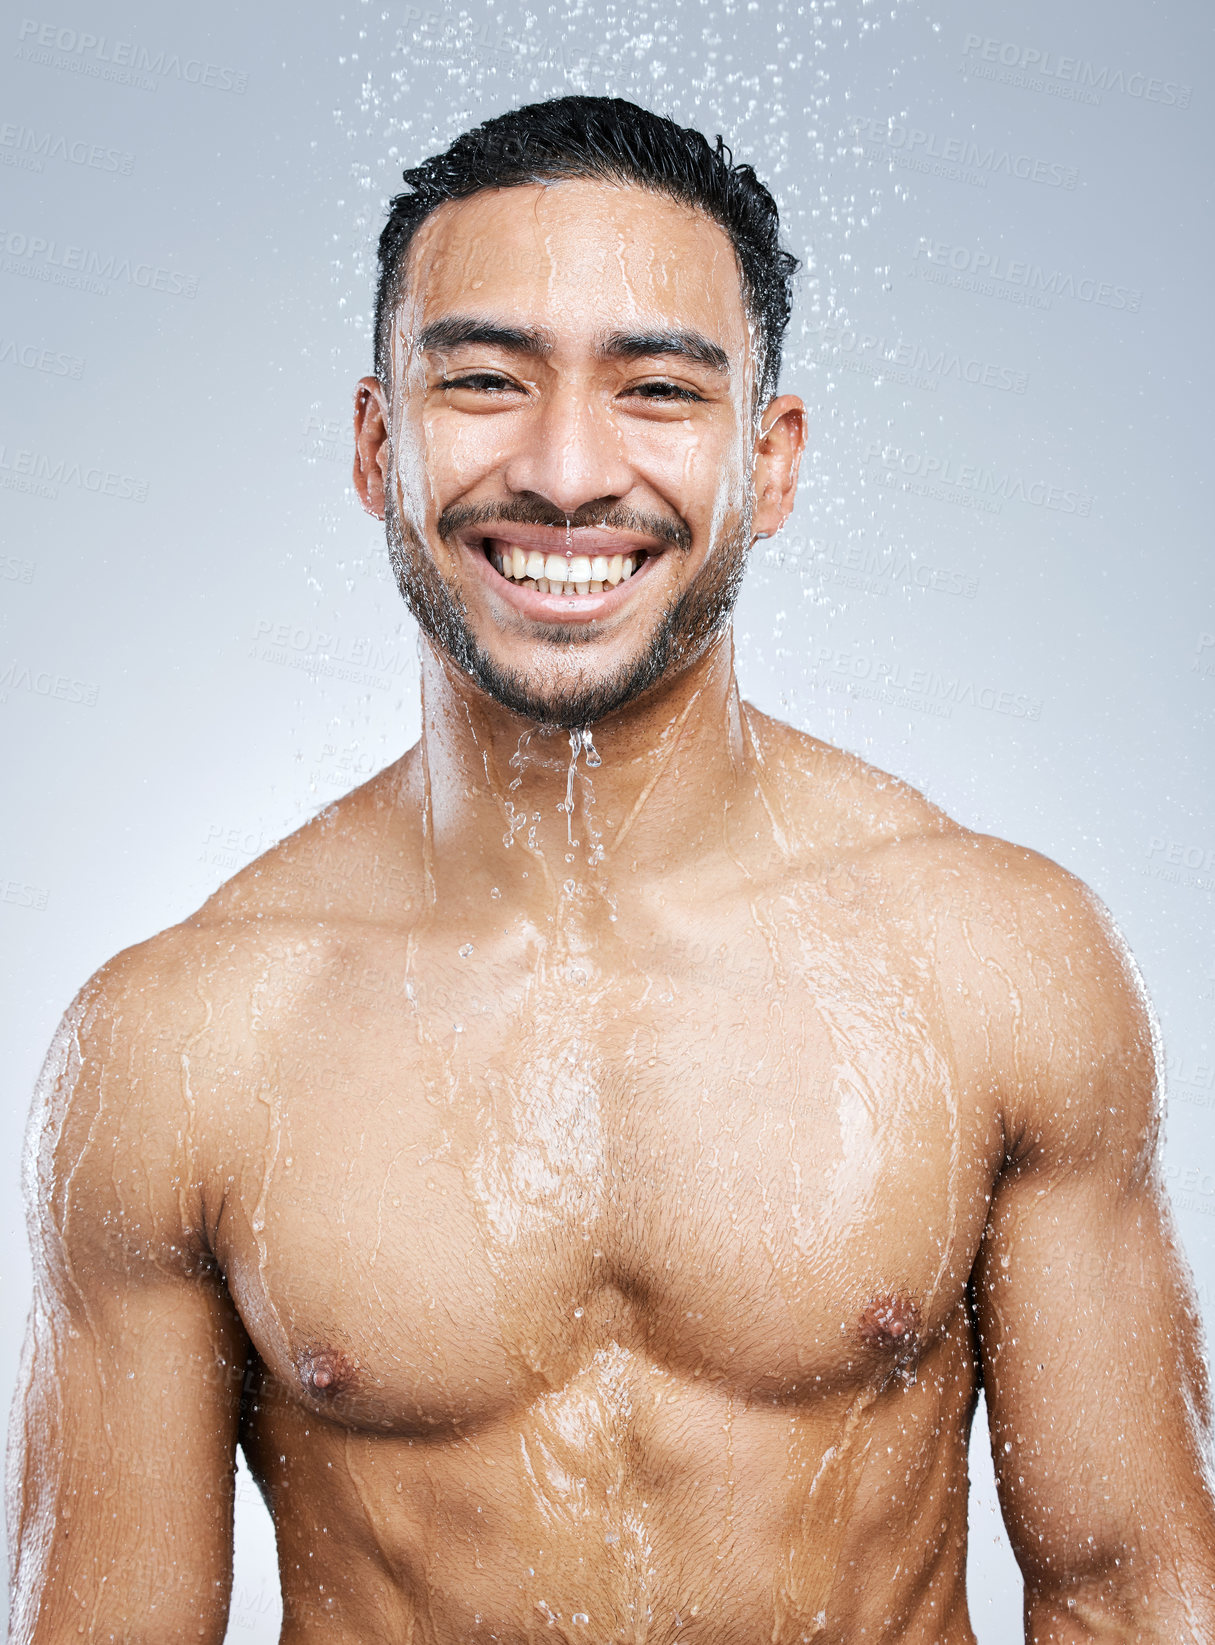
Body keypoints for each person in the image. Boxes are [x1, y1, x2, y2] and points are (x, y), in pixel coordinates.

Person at [9, 94, 1215, 1645]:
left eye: (656, 387)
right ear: (380, 445)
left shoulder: (993, 962)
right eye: (487, 381)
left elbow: (1135, 1591)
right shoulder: (186, 1039)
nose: (568, 470)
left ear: (768, 464)